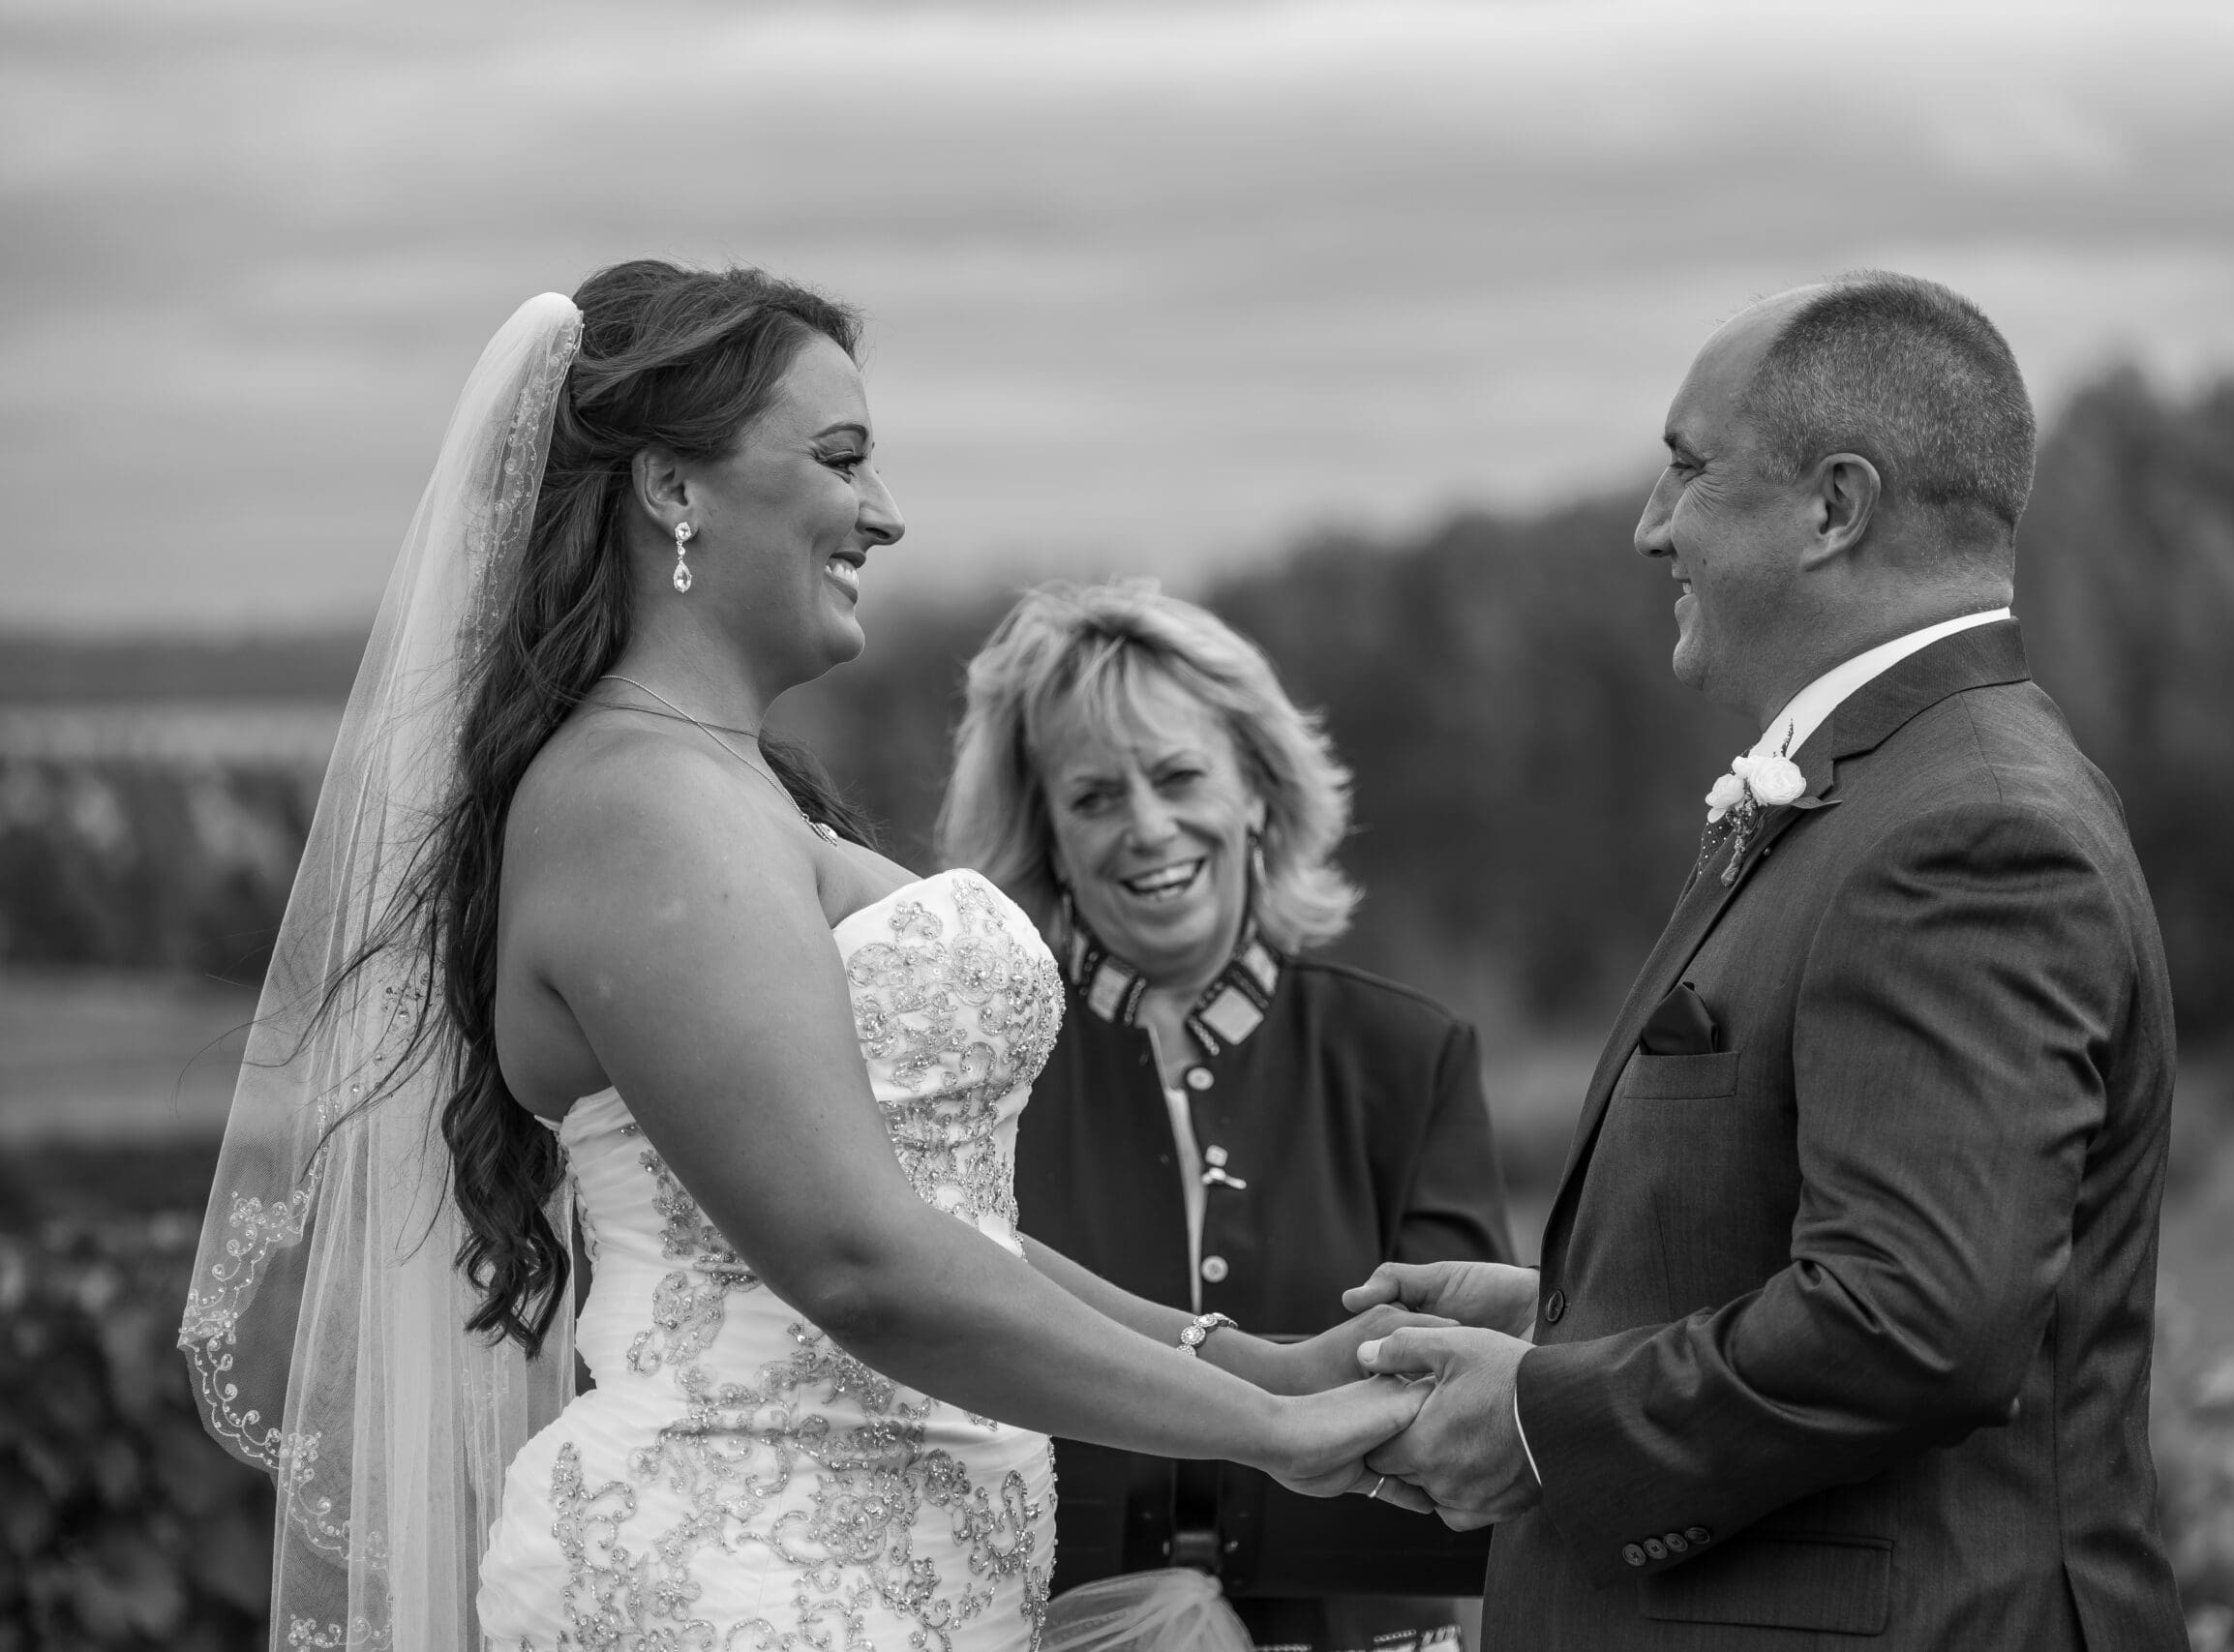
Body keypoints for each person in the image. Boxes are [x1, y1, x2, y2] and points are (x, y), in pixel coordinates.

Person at [180, 262, 1435, 1652]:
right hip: (740, 1568)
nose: (886, 514)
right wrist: (1271, 1427)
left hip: (906, 1569)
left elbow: (928, 1219)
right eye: (840, 460)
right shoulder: (634, 805)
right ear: (673, 488)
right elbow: (857, 1258)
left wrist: (1240, 1351)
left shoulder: (736, 786)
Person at [1351, 272, 2188, 1647]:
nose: (1648, 527)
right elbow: (1857, 1239)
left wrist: (1535, 1416)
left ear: (1835, 507)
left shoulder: (1968, 829)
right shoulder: (1902, 786)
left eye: (1685, 470)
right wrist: (1572, 1314)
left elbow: (1916, 1317)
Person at [939, 581, 1516, 1648]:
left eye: (1177, 775)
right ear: (1047, 836)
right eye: (1094, 798)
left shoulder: (1408, 1056)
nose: (1147, 827)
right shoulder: (976, 1067)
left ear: (1255, 789)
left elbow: (1449, 1381)